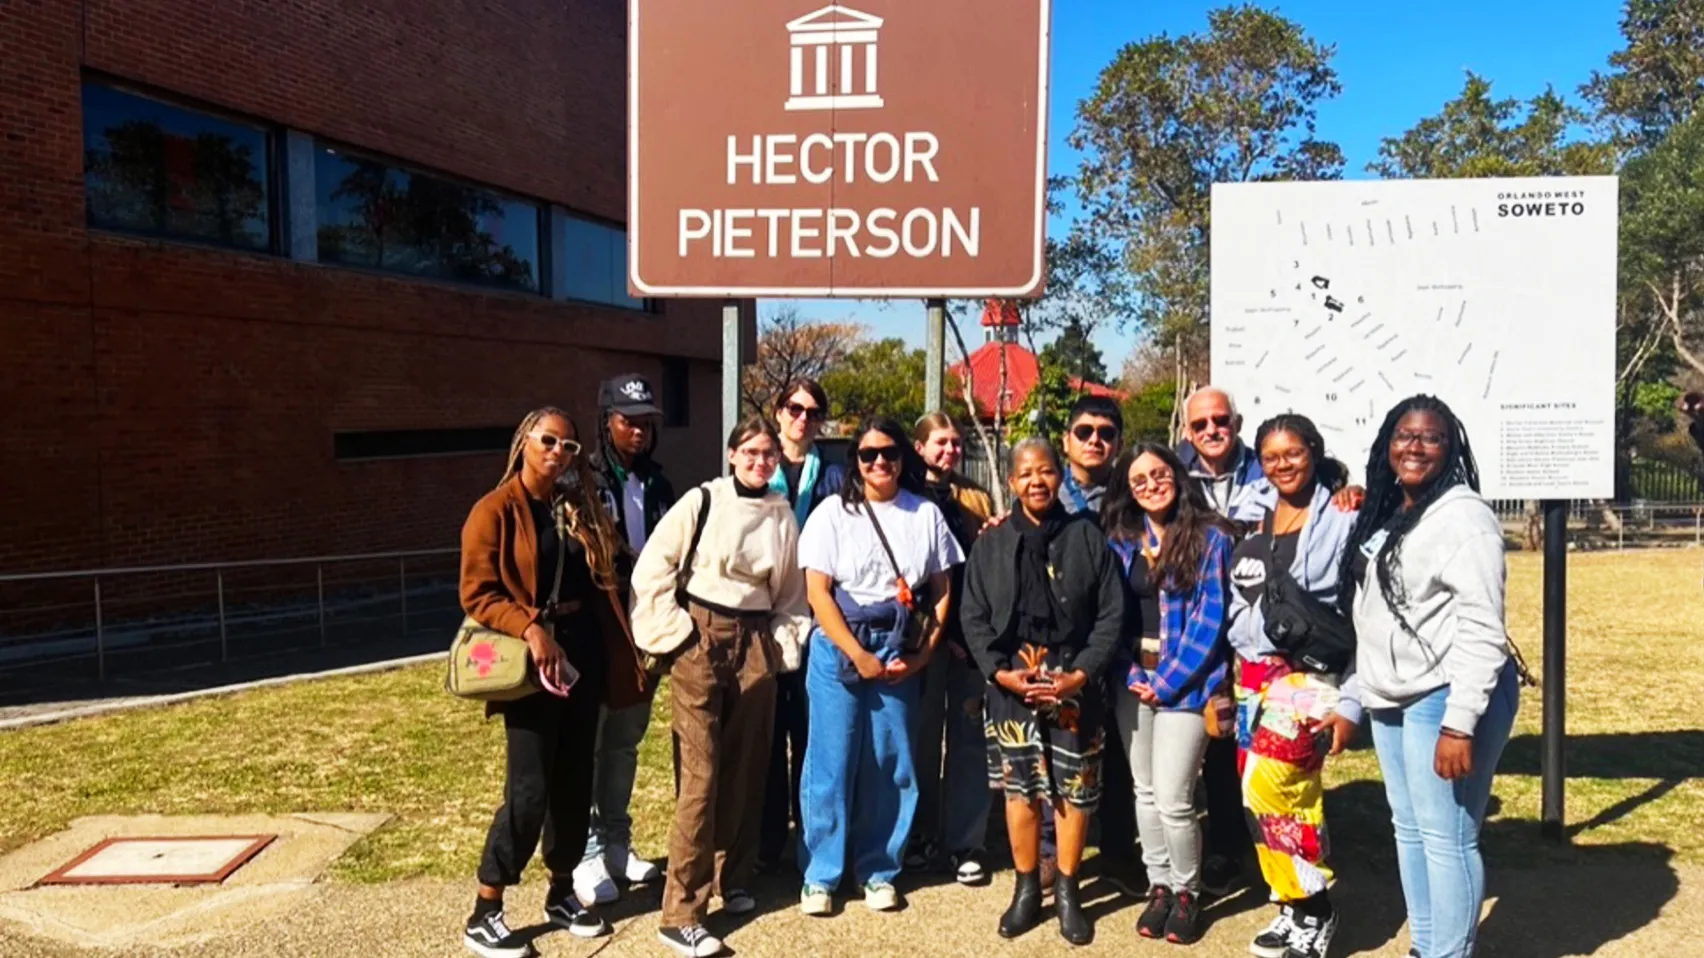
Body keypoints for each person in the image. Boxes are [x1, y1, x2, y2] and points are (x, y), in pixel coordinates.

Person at [1342, 395, 1520, 958]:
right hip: (1393, 695)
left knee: (1449, 837)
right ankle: (1427, 944)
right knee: (1410, 830)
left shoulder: (1465, 516)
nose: (1414, 447)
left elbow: (1483, 628)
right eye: (1404, 435)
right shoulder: (1393, 507)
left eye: (1431, 438)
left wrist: (1459, 722)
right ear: (1387, 442)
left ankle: (1449, 952)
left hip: (1444, 696)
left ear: (1451, 447)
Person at [628, 416, 811, 958]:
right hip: (699, 634)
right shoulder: (701, 501)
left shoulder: (780, 514)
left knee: (749, 765)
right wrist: (677, 635)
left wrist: (777, 647)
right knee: (702, 774)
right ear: (732, 454)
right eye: (751, 452)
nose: (760, 462)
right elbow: (653, 569)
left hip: (755, 637)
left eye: (769, 455)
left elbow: (791, 594)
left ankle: (734, 877)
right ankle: (681, 909)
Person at [460, 407, 638, 957]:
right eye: (549, 441)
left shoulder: (575, 508)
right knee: (529, 788)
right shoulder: (494, 510)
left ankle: (561, 890)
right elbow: (478, 593)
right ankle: (486, 907)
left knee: (573, 779)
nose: (558, 452)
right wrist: (532, 628)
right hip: (532, 659)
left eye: (570, 446)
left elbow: (611, 567)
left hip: (579, 653)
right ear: (525, 442)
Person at [962, 438, 1126, 946]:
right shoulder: (990, 542)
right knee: (1021, 790)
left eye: (1047, 471)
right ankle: (1028, 887)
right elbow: (972, 614)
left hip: (1073, 677)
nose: (1037, 481)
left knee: (1074, 793)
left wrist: (1081, 673)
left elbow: (1110, 614)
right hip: (1012, 679)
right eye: (1026, 473)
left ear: (1060, 477)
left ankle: (1070, 890)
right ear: (1011, 483)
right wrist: (995, 670)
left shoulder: (1087, 536)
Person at [795, 418, 962, 915]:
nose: (880, 463)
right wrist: (856, 654)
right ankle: (821, 873)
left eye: (889, 453)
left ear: (904, 456)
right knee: (831, 757)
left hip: (898, 643)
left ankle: (878, 869)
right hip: (839, 642)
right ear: (855, 462)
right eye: (868, 456)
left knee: (891, 760)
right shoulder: (831, 513)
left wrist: (925, 650)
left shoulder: (925, 513)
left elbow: (942, 586)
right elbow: (816, 592)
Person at [1225, 414, 1363, 958]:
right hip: (1252, 675)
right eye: (1271, 455)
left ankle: (1315, 907)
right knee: (1254, 796)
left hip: (1306, 673)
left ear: (1314, 451)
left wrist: (1351, 697)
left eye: (1293, 453)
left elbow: (1356, 606)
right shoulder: (1251, 510)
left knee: (1278, 786)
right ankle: (1289, 900)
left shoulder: (1342, 513)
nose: (1283, 464)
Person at [1102, 443, 1236, 946]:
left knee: (1176, 797)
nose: (1151, 485)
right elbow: (1111, 614)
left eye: (1160, 474)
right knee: (1145, 791)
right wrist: (1129, 670)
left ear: (1177, 477)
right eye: (1139, 480)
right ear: (1129, 491)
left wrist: (1166, 681)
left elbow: (1210, 620)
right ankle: (1157, 884)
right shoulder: (1121, 542)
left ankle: (1187, 891)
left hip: (1188, 684)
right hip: (1131, 680)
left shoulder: (1210, 539)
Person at [576, 374, 673, 904]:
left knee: (625, 742)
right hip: (596, 630)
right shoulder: (582, 480)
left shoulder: (659, 484)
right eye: (627, 421)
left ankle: (617, 841)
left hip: (645, 631)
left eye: (645, 423)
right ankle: (587, 850)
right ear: (605, 422)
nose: (638, 431)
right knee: (590, 743)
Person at [759, 378, 847, 873]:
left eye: (814, 412)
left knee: (811, 738)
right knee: (767, 736)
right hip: (762, 622)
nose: (803, 418)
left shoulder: (831, 478)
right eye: (795, 408)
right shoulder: (756, 469)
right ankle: (768, 840)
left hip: (814, 623)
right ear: (778, 411)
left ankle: (811, 840)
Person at [907, 412, 997, 884]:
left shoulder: (975, 498)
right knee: (921, 738)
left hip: (967, 637)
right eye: (940, 443)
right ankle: (919, 835)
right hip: (920, 637)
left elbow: (983, 571)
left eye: (956, 443)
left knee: (968, 740)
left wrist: (973, 636)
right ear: (919, 447)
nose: (950, 451)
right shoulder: (903, 495)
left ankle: (967, 841)